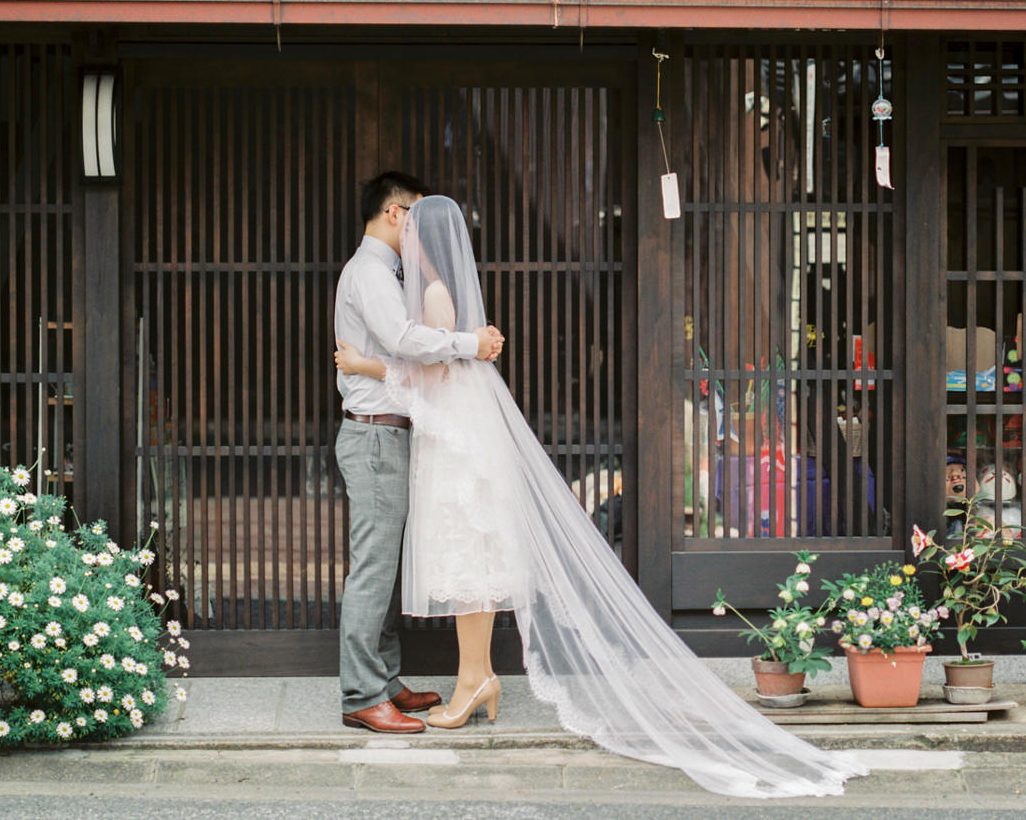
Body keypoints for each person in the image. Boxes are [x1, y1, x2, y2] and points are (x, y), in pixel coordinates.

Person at [336, 195, 866, 798]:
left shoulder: (429, 295)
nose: (405, 234)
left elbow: (427, 373)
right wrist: (414, 357)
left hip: (451, 443)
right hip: (451, 435)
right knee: (467, 561)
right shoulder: (412, 285)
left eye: (412, 226)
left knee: (466, 561)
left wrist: (366, 366)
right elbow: (439, 364)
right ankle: (470, 679)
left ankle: (468, 682)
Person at [332, 173, 504, 735]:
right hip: (376, 433)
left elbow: (401, 358)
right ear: (393, 214)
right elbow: (405, 339)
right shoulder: (370, 272)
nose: (418, 228)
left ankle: (382, 681)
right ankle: (361, 694)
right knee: (373, 568)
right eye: (414, 215)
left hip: (391, 430)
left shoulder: (388, 272)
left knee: (383, 567)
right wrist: (468, 344)